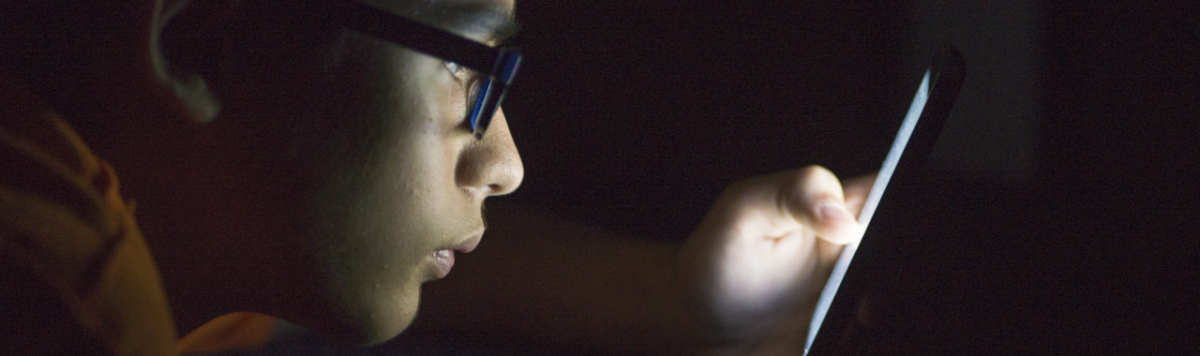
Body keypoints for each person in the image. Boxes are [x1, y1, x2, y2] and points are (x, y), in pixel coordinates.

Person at [0, 0, 873, 354]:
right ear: (201, 45)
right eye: (469, 75)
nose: (507, 165)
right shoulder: (64, 290)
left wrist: (680, 295)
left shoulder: (200, 216)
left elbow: (381, 236)